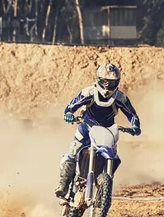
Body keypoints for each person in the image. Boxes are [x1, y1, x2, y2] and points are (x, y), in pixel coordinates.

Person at [55, 63, 141, 199]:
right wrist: (69, 113)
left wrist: (135, 126)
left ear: (117, 82)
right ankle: (63, 185)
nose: (107, 86)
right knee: (72, 152)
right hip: (86, 128)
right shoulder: (89, 92)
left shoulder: (120, 98)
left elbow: (132, 114)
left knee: (113, 156)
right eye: (105, 82)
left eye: (111, 83)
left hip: (107, 131)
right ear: (99, 80)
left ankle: (103, 187)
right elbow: (71, 105)